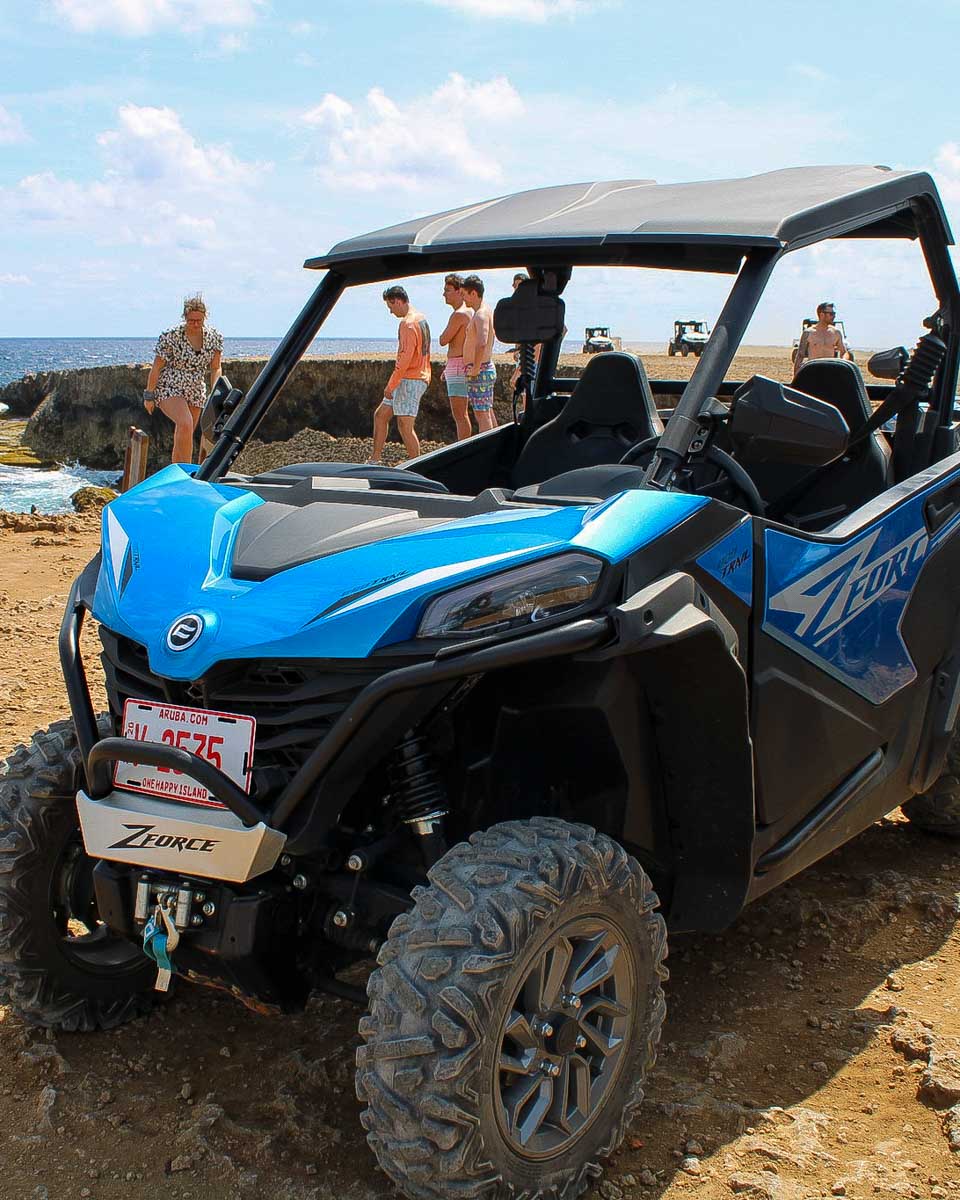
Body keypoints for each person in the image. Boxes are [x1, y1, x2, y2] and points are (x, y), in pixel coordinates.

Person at [142, 295, 223, 464]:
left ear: (204, 318)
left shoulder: (214, 337)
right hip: (170, 385)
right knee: (185, 423)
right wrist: (149, 395)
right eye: (191, 320)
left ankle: (176, 470)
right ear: (185, 317)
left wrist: (216, 391)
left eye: (198, 320)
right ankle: (186, 471)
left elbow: (215, 367)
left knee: (184, 433)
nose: (195, 324)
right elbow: (156, 367)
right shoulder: (170, 336)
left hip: (195, 389)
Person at [367, 285, 431, 464]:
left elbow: (404, 359)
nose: (391, 311)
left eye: (390, 306)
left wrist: (391, 385)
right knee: (380, 415)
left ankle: (418, 464)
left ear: (397, 301)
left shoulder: (408, 324)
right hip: (415, 377)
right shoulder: (421, 319)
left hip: (410, 379)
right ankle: (375, 459)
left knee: (405, 425)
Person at [438, 273, 473, 441]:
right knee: (464, 413)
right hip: (460, 364)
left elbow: (443, 340)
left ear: (459, 291)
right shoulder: (470, 312)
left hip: (458, 365)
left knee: (460, 414)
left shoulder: (459, 314)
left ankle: (463, 446)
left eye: (448, 290)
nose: (444, 294)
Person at [462, 274, 498, 433]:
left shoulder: (481, 314)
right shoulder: (486, 312)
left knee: (482, 414)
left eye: (464, 294)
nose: (463, 299)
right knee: (487, 412)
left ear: (474, 293)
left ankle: (490, 451)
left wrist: (476, 368)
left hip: (481, 369)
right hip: (483, 368)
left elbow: (482, 342)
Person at [794, 301, 853, 370]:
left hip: (829, 369)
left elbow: (844, 352)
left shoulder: (836, 332)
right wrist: (795, 375)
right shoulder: (808, 332)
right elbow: (800, 355)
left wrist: (843, 361)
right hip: (813, 370)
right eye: (831, 314)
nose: (834, 316)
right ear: (822, 314)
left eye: (834, 313)